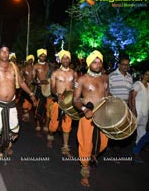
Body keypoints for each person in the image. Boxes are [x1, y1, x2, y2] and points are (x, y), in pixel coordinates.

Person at [73, 50, 110, 187]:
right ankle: (84, 171)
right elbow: (75, 100)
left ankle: (90, 158)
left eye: (99, 61)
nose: (98, 64)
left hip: (102, 116)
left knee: (103, 144)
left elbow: (108, 93)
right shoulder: (82, 79)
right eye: (95, 62)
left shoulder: (105, 78)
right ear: (89, 64)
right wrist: (84, 109)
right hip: (87, 116)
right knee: (86, 145)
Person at [47, 50, 78, 158]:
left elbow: (76, 87)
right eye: (63, 58)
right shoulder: (55, 73)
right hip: (57, 102)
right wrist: (57, 94)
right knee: (54, 126)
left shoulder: (74, 73)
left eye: (67, 58)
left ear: (70, 60)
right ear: (60, 60)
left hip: (69, 104)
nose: (65, 60)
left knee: (67, 126)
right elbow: (52, 88)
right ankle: (50, 136)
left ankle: (65, 148)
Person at [108, 56, 133, 158]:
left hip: (125, 106)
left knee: (121, 127)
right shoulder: (112, 75)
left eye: (127, 64)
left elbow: (130, 94)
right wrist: (113, 102)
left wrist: (130, 107)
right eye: (123, 64)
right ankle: (111, 145)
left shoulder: (130, 77)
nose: (125, 66)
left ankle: (116, 147)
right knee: (113, 126)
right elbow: (108, 91)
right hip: (114, 105)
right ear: (119, 65)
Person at [32, 48, 50, 135]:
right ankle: (38, 125)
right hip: (39, 89)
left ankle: (46, 125)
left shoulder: (48, 65)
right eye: (41, 55)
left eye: (44, 55)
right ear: (38, 56)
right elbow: (32, 80)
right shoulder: (35, 66)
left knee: (48, 108)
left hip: (48, 89)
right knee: (38, 107)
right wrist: (40, 82)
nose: (43, 57)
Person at [130, 70, 149, 147]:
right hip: (137, 110)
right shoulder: (138, 84)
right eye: (146, 74)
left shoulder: (148, 85)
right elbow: (132, 97)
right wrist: (134, 110)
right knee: (131, 129)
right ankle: (122, 145)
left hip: (145, 111)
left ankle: (139, 145)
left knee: (142, 130)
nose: (148, 76)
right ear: (142, 75)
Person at [20, 55, 35, 122]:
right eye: (29, 59)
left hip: (33, 87)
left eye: (31, 59)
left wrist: (33, 82)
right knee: (26, 101)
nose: (30, 60)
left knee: (32, 101)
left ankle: (31, 114)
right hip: (26, 87)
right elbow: (20, 77)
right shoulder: (24, 69)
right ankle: (26, 114)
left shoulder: (35, 68)